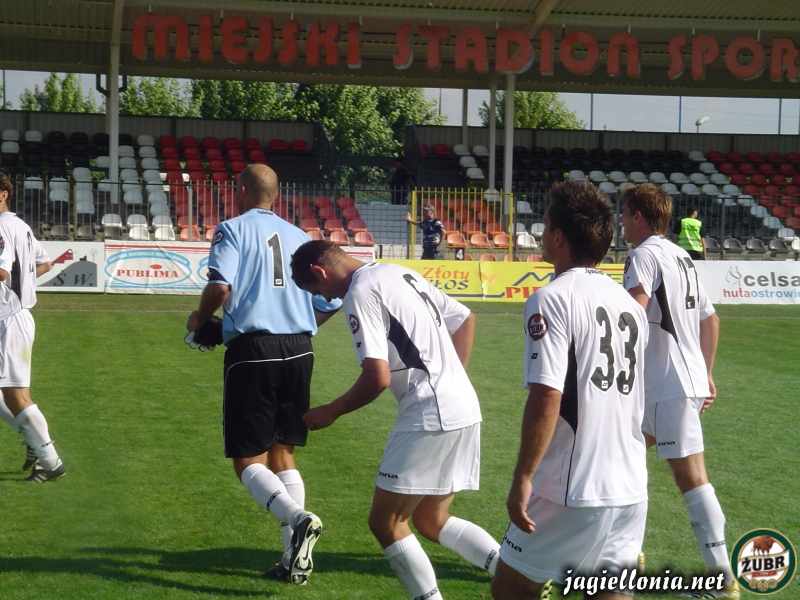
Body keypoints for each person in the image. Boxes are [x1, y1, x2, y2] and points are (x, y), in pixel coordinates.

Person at [291, 241, 500, 600]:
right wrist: (452, 378)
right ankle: (512, 572)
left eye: (317, 291)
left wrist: (331, 411)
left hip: (430, 411)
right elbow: (465, 318)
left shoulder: (360, 291)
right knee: (431, 519)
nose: (325, 298)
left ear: (318, 272)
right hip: (462, 405)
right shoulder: (397, 271)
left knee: (386, 522)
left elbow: (377, 377)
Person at [185, 164, 341, 586]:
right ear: (276, 194)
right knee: (283, 453)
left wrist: (201, 321)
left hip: (254, 351)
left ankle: (298, 518)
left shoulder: (232, 229)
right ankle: (293, 558)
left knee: (247, 460)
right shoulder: (300, 237)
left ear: (240, 190)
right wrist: (300, 325)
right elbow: (329, 303)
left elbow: (220, 286)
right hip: (300, 349)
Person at [493, 181, 649, 600]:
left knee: (510, 589)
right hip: (630, 485)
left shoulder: (552, 299)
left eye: (545, 227)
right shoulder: (630, 305)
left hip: (573, 485)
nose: (543, 235)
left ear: (559, 237)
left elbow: (547, 395)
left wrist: (524, 477)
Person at [622, 184, 738, 599]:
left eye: (624, 214)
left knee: (691, 477)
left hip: (664, 382)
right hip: (676, 380)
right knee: (626, 455)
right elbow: (711, 319)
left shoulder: (643, 255)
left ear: (638, 216)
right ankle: (627, 553)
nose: (621, 223)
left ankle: (721, 580)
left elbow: (632, 312)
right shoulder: (681, 256)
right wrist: (706, 374)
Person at [0, 171, 65, 482]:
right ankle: (32, 439)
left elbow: (2, 272)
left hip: (9, 319)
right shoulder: (21, 226)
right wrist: (24, 282)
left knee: (16, 394)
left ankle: (50, 462)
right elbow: (44, 263)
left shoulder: (1, 226)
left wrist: (16, 284)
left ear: (3, 194)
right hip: (14, 316)